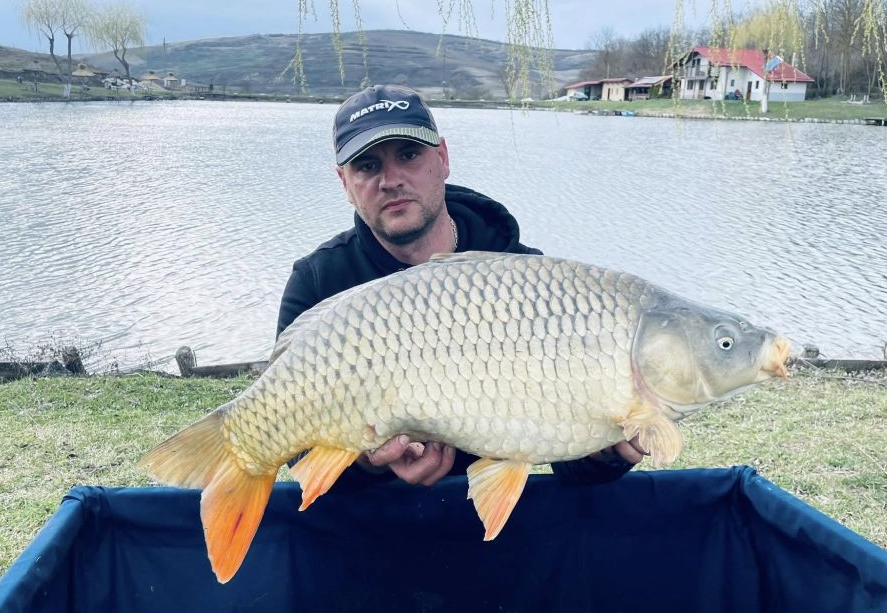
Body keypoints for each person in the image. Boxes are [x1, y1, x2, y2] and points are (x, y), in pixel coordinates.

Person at [277, 84, 648, 488]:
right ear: (345, 183)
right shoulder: (318, 282)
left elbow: (563, 447)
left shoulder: (528, 281)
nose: (391, 180)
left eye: (408, 155)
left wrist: (606, 452)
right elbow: (296, 450)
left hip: (492, 515)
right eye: (367, 166)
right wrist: (371, 465)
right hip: (374, 519)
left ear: (442, 158)